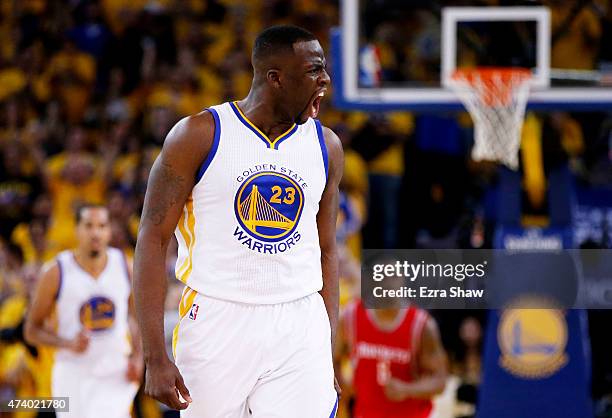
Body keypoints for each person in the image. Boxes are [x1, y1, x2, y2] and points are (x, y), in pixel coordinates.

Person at [133, 25, 343, 417]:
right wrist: (155, 356)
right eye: (314, 70)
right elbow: (152, 238)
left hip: (300, 322)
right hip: (217, 320)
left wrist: (325, 348)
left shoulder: (326, 145)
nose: (326, 79)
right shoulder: (198, 135)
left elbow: (328, 250)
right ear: (275, 78)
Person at [24, 204, 143, 418]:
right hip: (73, 373)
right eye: (88, 226)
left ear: (109, 230)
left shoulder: (125, 265)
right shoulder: (56, 271)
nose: (95, 232)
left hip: (115, 371)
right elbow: (31, 330)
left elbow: (138, 319)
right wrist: (67, 343)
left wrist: (139, 357)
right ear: (77, 229)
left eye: (101, 226)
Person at [335, 299, 447, 418]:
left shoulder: (421, 324)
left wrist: (407, 389)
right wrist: (345, 387)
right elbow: (332, 359)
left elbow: (439, 381)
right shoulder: (350, 316)